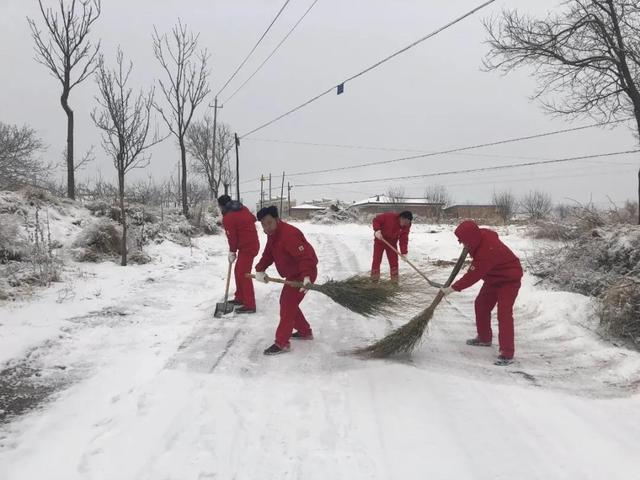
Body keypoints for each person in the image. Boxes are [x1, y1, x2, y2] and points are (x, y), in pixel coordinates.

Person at [440, 220, 523, 366]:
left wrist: (453, 288)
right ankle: (484, 338)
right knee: (481, 305)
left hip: (509, 280)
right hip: (493, 278)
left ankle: (507, 353)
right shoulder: (480, 236)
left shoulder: (487, 251)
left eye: (462, 240)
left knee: (504, 313)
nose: (460, 243)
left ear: (471, 238)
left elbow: (473, 275)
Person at [254, 206, 319, 355]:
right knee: (287, 303)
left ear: (277, 220)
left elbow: (305, 257)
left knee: (287, 305)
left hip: (304, 273)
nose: (266, 227)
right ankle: (304, 331)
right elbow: (268, 255)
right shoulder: (274, 235)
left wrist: (307, 276)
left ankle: (282, 343)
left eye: (269, 222)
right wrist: (260, 269)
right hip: (293, 273)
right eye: (263, 224)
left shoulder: (289, 235)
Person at [218, 195, 260, 314]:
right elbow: (253, 218)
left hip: (248, 247)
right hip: (250, 244)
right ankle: (240, 298)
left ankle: (250, 304)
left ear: (221, 206)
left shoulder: (228, 217)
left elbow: (232, 237)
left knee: (243, 274)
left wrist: (232, 251)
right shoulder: (243, 208)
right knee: (238, 272)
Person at [370, 211, 413, 281]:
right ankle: (374, 279)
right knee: (377, 260)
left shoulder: (407, 225)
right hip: (380, 239)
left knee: (394, 262)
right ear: (401, 218)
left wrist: (404, 252)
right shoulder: (389, 216)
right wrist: (377, 230)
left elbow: (404, 239)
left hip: (392, 242)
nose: (405, 225)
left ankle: (394, 280)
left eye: (407, 223)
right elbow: (376, 220)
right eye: (404, 222)